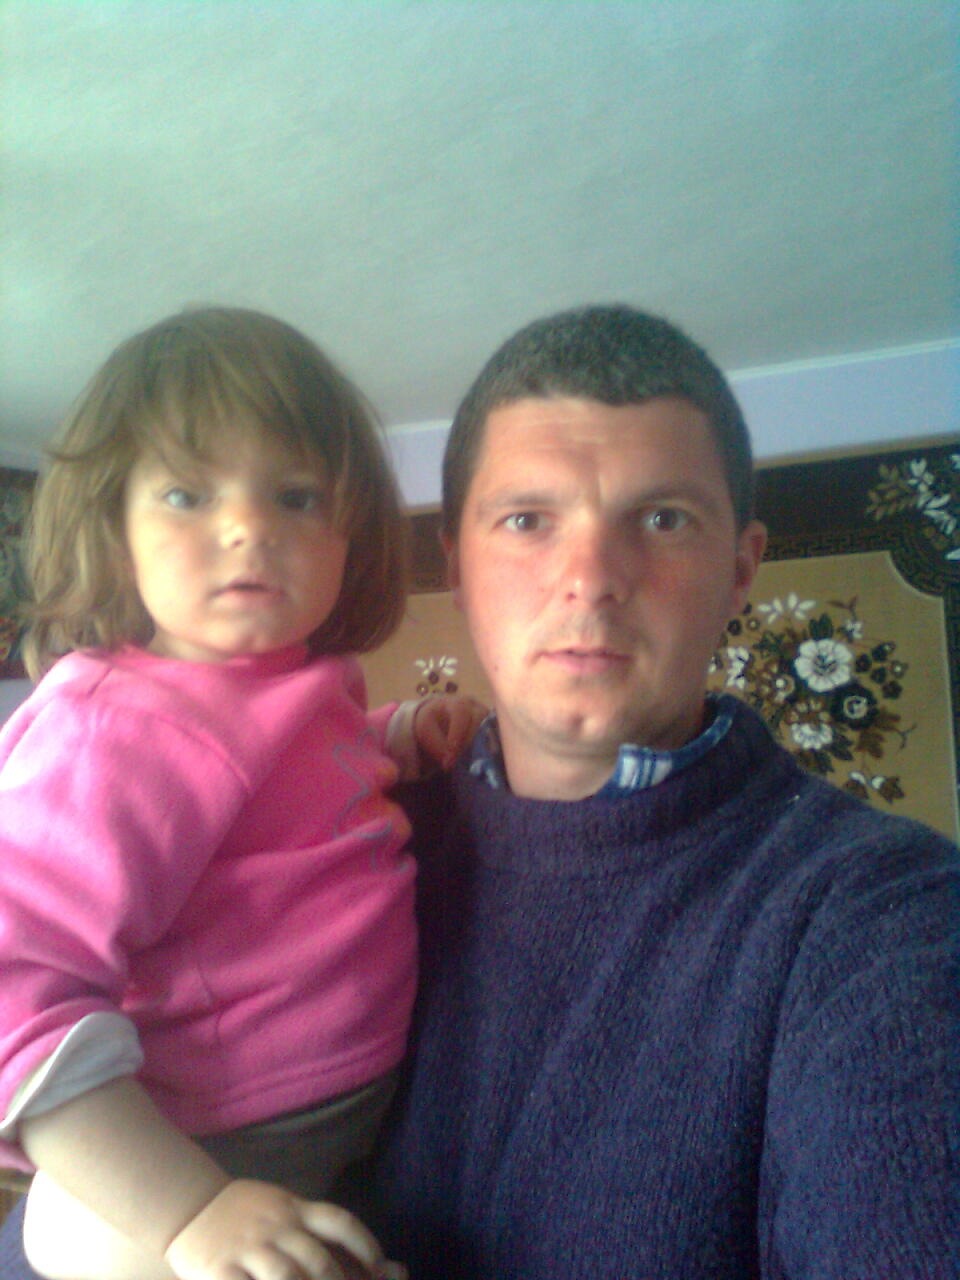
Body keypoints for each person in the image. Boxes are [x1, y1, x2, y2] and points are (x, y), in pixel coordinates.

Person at [358, 304, 958, 1277]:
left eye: (662, 518)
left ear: (740, 569)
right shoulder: (346, 847)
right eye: (527, 520)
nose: (590, 578)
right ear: (458, 570)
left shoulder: (882, 915)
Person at [0, 306, 483, 1280]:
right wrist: (191, 1211)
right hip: (204, 1144)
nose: (249, 528)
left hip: (336, 1117)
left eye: (297, 497)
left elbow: (285, 783)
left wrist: (398, 734)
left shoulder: (301, 683)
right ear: (113, 527)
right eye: (187, 492)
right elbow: (16, 986)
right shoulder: (111, 728)